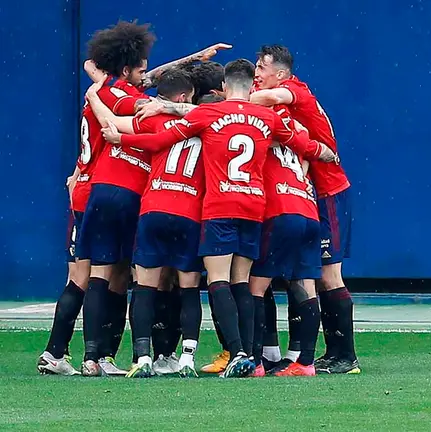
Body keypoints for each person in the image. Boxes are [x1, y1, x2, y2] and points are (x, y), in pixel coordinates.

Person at [102, 58, 337, 378]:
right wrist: (323, 152)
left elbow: (161, 140)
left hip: (219, 206)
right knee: (245, 284)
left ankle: (232, 352)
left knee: (217, 281)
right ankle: (253, 360)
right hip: (255, 207)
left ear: (225, 87)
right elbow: (300, 143)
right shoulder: (267, 115)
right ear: (248, 86)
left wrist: (123, 138)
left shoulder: (208, 113)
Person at [85, 69, 204, 378]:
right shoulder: (207, 123)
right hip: (189, 211)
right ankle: (185, 357)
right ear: (184, 97)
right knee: (188, 288)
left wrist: (94, 96)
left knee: (144, 286)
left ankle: (142, 357)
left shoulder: (153, 118)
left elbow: (112, 124)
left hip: (153, 206)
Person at [251, 45, 358, 374]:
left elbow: (260, 101)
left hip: (329, 192)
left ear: (281, 76)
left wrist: (236, 96)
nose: (257, 74)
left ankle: (345, 355)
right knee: (305, 275)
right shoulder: (283, 95)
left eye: (261, 68)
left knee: (329, 275)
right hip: (308, 193)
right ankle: (322, 354)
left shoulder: (294, 91)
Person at [248, 106, 323, 377]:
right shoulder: (294, 132)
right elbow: (305, 155)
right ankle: (306, 362)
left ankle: (255, 361)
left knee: (255, 286)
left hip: (279, 211)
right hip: (308, 209)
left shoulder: (260, 129)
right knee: (305, 285)